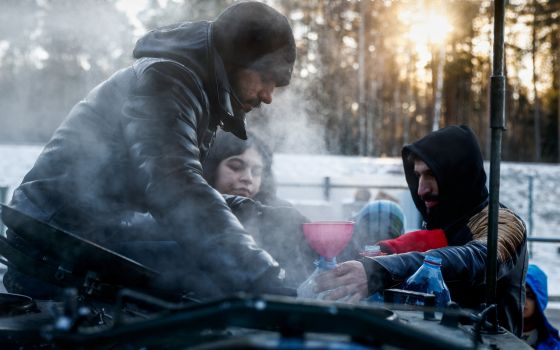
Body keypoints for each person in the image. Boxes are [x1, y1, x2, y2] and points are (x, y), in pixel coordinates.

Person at [1, 1, 297, 300]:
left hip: (97, 233)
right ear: (236, 60)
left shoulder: (194, 86)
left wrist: (262, 215)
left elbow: (178, 190)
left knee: (232, 249)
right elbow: (176, 187)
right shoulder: (167, 81)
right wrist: (264, 278)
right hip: (54, 247)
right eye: (265, 78)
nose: (268, 96)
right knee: (207, 278)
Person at [314, 125, 527, 336]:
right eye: (418, 176)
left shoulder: (504, 223)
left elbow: (478, 258)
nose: (421, 189)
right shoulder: (442, 220)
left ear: (459, 172)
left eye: (431, 175)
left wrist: (380, 270)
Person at [202, 130, 314, 286]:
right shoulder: (190, 211)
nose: (247, 178)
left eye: (256, 172)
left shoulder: (281, 213)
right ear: (212, 168)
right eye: (235, 167)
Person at [522, 264, 560, 349]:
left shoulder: (553, 344)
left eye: (529, 295)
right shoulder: (496, 331)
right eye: (520, 294)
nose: (524, 301)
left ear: (539, 298)